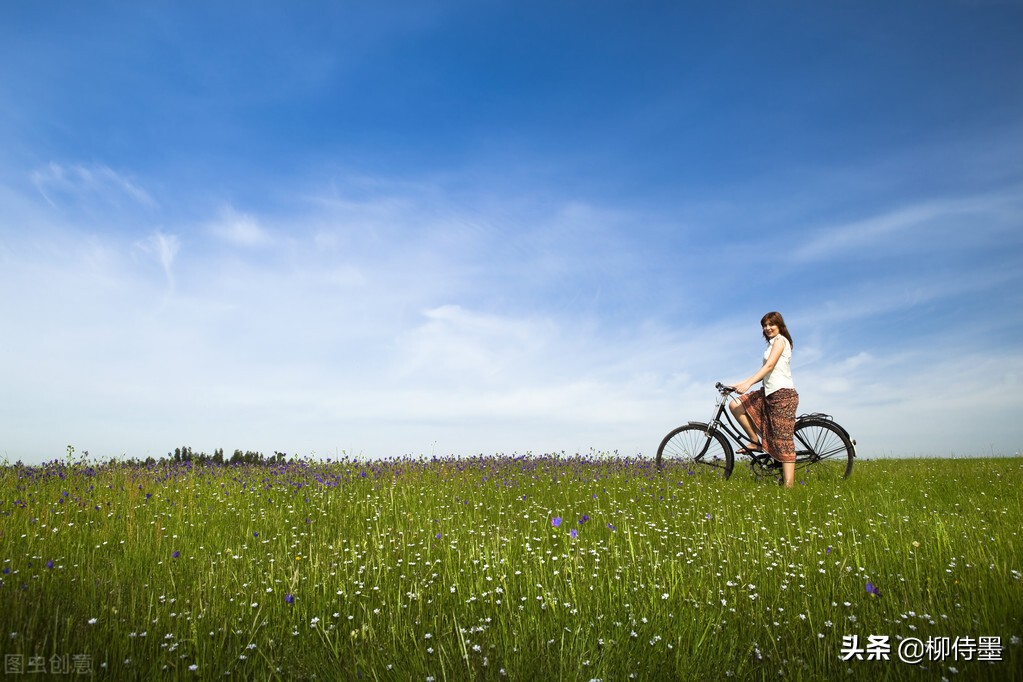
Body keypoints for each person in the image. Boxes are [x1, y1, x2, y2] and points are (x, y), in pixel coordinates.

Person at [728, 311, 799, 487]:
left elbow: (769, 366)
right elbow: (763, 372)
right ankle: (754, 441)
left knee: (783, 440)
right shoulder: (770, 346)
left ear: (779, 325)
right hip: (768, 392)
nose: (767, 328)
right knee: (736, 404)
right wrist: (739, 384)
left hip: (782, 394)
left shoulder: (781, 340)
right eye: (764, 325)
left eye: (771, 324)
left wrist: (749, 384)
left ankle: (789, 486)